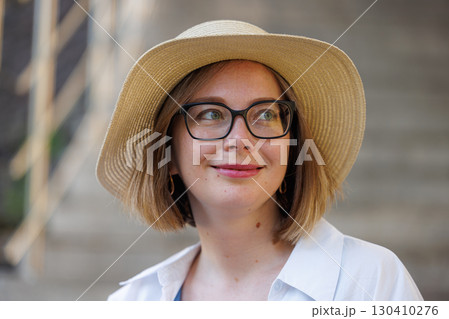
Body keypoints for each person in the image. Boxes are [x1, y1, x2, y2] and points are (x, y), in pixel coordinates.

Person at [96, 20, 423, 301]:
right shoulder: (132, 302)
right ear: (167, 154)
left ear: (290, 147)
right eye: (211, 114)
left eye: (266, 113)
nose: (240, 140)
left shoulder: (374, 282)